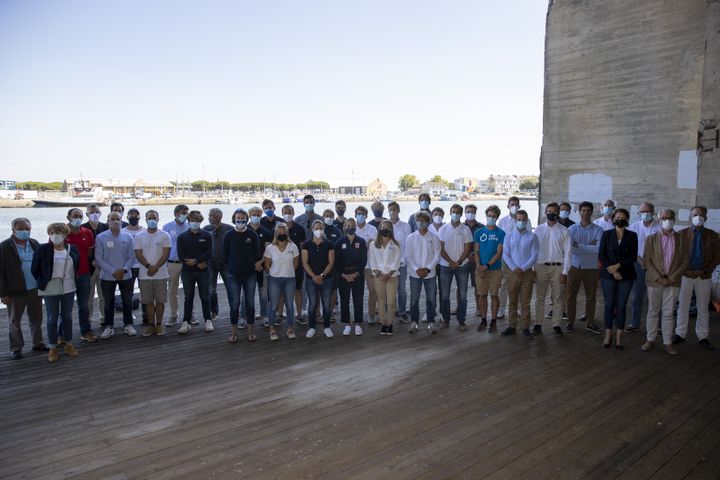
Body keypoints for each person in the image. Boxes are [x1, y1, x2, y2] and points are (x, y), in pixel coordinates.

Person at [641, 209, 688, 355]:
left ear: (674, 219)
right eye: (663, 218)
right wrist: (658, 278)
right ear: (659, 220)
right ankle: (650, 339)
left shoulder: (682, 239)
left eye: (669, 217)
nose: (666, 220)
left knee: (668, 313)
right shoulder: (651, 238)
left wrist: (672, 278)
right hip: (655, 281)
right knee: (652, 311)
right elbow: (647, 260)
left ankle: (667, 342)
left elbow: (685, 261)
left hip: (672, 282)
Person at [31, 223, 80, 362]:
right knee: (52, 318)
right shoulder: (43, 249)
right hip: (50, 289)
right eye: (52, 232)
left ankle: (69, 344)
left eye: (58, 232)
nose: (55, 235)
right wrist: (44, 282)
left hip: (69, 288)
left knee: (67, 317)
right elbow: (35, 269)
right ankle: (53, 347)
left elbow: (76, 267)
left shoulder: (72, 249)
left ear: (65, 235)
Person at [673, 206, 720, 350]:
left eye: (701, 215)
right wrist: (686, 271)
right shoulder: (681, 234)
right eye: (695, 214)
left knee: (703, 308)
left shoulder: (713, 235)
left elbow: (717, 256)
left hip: (704, 276)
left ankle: (703, 336)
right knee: (683, 306)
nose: (698, 217)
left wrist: (704, 270)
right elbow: (676, 256)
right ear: (690, 217)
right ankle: (680, 333)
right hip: (686, 275)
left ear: (705, 218)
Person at [0, 218, 46, 359]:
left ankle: (37, 343)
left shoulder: (34, 243)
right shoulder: (4, 247)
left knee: (36, 318)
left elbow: (42, 265)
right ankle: (16, 348)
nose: (24, 232)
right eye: (21, 229)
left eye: (27, 229)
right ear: (13, 230)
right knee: (15, 321)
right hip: (15, 291)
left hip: (35, 288)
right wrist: (3, 293)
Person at [598, 208, 638, 350]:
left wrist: (618, 266)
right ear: (613, 219)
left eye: (622, 217)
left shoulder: (632, 235)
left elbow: (632, 256)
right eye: (617, 217)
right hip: (608, 274)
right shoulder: (607, 235)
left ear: (627, 219)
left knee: (621, 305)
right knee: (609, 304)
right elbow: (602, 255)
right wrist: (613, 271)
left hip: (626, 274)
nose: (619, 219)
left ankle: (619, 335)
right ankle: (608, 333)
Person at [95, 211, 137, 339]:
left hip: (126, 275)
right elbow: (99, 258)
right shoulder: (101, 237)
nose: (115, 221)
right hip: (107, 276)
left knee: (127, 301)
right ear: (107, 221)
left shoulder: (128, 237)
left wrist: (123, 270)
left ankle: (128, 324)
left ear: (121, 220)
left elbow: (132, 256)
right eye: (112, 219)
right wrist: (113, 271)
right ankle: (108, 327)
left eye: (117, 219)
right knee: (108, 302)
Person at [533, 202, 572, 336]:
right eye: (549, 211)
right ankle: (538, 323)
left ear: (558, 213)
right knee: (540, 297)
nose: (551, 214)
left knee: (558, 298)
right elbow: (534, 250)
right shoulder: (538, 229)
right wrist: (533, 268)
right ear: (545, 213)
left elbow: (568, 253)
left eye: (554, 211)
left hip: (558, 268)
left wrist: (565, 272)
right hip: (540, 267)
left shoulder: (564, 230)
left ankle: (556, 324)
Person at [224, 208, 262, 342]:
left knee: (250, 303)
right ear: (234, 219)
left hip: (249, 274)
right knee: (234, 304)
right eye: (238, 218)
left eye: (243, 218)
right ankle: (233, 332)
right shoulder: (229, 235)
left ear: (247, 219)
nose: (240, 220)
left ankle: (251, 331)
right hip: (233, 274)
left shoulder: (252, 235)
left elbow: (257, 255)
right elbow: (225, 255)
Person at [566, 201, 604, 333]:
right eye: (583, 210)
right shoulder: (571, 229)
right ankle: (570, 321)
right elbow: (570, 249)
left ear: (592, 212)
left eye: (588, 211)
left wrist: (579, 245)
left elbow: (599, 250)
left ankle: (590, 321)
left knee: (591, 296)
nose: (586, 213)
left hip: (591, 268)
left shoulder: (598, 230)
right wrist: (589, 246)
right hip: (574, 266)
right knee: (571, 296)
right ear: (579, 212)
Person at [501, 210, 538, 339]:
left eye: (523, 219)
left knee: (525, 301)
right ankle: (512, 325)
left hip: (527, 273)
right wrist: (514, 268)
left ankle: (525, 326)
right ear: (515, 220)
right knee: (512, 301)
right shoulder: (509, 236)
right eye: (519, 219)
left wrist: (522, 268)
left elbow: (534, 255)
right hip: (512, 273)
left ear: (527, 221)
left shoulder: (532, 237)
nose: (521, 222)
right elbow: (505, 254)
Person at [134, 210, 171, 336]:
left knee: (160, 301)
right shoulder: (139, 236)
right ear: (145, 219)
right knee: (148, 301)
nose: (152, 220)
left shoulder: (165, 235)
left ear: (158, 219)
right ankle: (151, 325)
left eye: (154, 218)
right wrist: (149, 266)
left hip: (161, 273)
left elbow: (166, 253)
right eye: (149, 218)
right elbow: (138, 254)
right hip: (145, 274)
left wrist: (156, 267)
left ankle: (159, 324)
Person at [626, 201, 661, 332]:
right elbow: (629, 248)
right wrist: (640, 261)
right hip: (638, 264)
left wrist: (651, 263)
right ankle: (635, 322)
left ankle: (656, 326)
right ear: (638, 213)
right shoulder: (633, 228)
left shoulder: (660, 228)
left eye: (648, 211)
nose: (645, 214)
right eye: (642, 212)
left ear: (653, 212)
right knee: (637, 295)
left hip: (656, 267)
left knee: (655, 297)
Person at [176, 210, 213, 334]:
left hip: (203, 270)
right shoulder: (182, 237)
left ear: (200, 222)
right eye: (192, 221)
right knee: (188, 297)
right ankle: (186, 322)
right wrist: (193, 262)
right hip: (187, 271)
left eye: (197, 221)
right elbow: (181, 255)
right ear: (188, 221)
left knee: (205, 296)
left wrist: (196, 261)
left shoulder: (207, 235)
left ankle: (208, 320)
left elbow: (209, 252)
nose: (194, 223)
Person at [63, 207, 97, 342]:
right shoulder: (61, 232)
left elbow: (89, 253)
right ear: (68, 217)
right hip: (66, 276)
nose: (78, 218)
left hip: (83, 274)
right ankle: (62, 335)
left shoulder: (87, 232)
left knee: (84, 305)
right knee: (65, 307)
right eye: (75, 216)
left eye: (80, 216)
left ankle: (86, 331)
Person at [438, 204, 473, 330]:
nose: (455, 214)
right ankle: (445, 319)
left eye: (458, 212)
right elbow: (440, 249)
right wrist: (451, 262)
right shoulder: (443, 229)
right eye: (453, 212)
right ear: (450, 212)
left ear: (461, 214)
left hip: (462, 266)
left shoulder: (466, 229)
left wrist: (458, 262)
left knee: (463, 295)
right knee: (445, 295)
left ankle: (461, 320)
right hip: (445, 266)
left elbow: (467, 249)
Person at [405, 211, 441, 333]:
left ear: (428, 222)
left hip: (430, 274)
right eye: (418, 220)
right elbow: (408, 256)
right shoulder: (410, 237)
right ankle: (414, 322)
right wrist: (417, 269)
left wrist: (427, 269)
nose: (420, 222)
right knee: (414, 299)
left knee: (431, 299)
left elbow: (437, 256)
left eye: (423, 220)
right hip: (415, 274)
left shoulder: (434, 237)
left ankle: (431, 322)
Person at [497, 196, 533, 320]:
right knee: (504, 284)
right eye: (512, 204)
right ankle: (501, 309)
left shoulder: (526, 221)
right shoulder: (502, 221)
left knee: (519, 284)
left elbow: (530, 238)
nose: (515, 207)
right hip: (506, 259)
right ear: (508, 206)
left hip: (522, 260)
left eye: (517, 205)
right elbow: (500, 239)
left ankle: (518, 308)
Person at [264, 223, 300, 340]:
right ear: (275, 234)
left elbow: (296, 264)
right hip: (274, 279)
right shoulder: (270, 248)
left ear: (287, 233)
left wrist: (287, 272)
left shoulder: (293, 247)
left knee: (290, 305)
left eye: (284, 232)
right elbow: (267, 265)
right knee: (273, 305)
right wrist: (276, 272)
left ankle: (290, 328)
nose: (282, 234)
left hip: (290, 279)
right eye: (279, 233)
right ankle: (272, 328)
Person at [302, 220, 335, 338]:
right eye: (316, 228)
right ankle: (311, 327)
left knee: (326, 304)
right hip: (311, 280)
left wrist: (321, 276)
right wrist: (314, 277)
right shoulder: (306, 244)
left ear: (324, 229)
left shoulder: (329, 244)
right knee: (312, 304)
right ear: (312, 229)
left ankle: (327, 327)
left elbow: (331, 263)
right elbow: (305, 263)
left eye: (321, 228)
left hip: (327, 279)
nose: (318, 230)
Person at [474, 205, 505, 333]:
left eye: (493, 216)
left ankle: (493, 321)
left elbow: (499, 253)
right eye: (489, 216)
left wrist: (486, 266)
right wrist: (478, 267)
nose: (491, 218)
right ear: (486, 216)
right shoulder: (478, 232)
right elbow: (476, 251)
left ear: (497, 218)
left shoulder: (501, 233)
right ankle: (483, 320)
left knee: (494, 295)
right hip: (480, 270)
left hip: (495, 270)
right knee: (482, 295)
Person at [368, 220, 402, 335]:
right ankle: (383, 323)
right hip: (378, 277)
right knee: (381, 301)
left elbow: (397, 262)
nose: (385, 229)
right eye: (383, 227)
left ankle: (390, 322)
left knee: (391, 301)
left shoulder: (395, 244)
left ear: (391, 230)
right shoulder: (373, 244)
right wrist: (380, 274)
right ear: (379, 229)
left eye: (387, 227)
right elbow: (372, 262)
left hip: (392, 276)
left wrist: (389, 274)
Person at [334, 218, 367, 336]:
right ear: (344, 227)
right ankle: (347, 324)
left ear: (356, 227)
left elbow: (364, 260)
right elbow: (336, 261)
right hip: (343, 276)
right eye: (347, 225)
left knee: (358, 300)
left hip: (357, 275)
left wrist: (356, 273)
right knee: (344, 300)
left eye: (352, 225)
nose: (350, 227)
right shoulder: (339, 242)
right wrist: (343, 274)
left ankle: (358, 323)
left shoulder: (361, 241)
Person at [278, 204, 306, 325]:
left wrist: (301, 264)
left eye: (290, 211)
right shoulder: (278, 229)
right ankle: (279, 315)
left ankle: (299, 315)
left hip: (297, 266)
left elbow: (302, 248)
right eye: (285, 212)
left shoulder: (300, 229)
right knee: (282, 292)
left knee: (298, 291)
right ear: (282, 213)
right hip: (281, 266)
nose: (288, 214)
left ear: (293, 213)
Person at [203, 208, 233, 321]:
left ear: (218, 217)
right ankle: (214, 312)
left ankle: (234, 310)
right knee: (211, 290)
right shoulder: (206, 229)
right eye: (209, 215)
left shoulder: (229, 229)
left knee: (231, 289)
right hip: (210, 264)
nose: (209, 217)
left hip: (226, 264)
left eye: (211, 215)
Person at [162, 204, 189, 325]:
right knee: (172, 290)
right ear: (176, 213)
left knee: (189, 290)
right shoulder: (167, 227)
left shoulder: (190, 226)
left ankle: (190, 314)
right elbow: (163, 246)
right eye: (183, 212)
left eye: (186, 212)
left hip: (188, 263)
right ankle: (174, 315)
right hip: (173, 263)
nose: (185, 215)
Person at [82, 203, 108, 326]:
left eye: (96, 212)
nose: (94, 214)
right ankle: (88, 320)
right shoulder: (82, 228)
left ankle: (104, 318)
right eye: (91, 212)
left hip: (104, 268)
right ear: (87, 214)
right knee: (89, 297)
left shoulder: (106, 227)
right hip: (89, 268)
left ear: (100, 213)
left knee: (104, 296)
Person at [246, 206, 271, 324]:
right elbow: (242, 251)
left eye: (258, 214)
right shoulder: (244, 230)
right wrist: (252, 264)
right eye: (253, 214)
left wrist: (260, 263)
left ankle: (264, 315)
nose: (256, 216)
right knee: (246, 293)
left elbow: (267, 250)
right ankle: (244, 316)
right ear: (249, 215)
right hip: (248, 267)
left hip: (262, 266)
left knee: (263, 292)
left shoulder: (265, 231)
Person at [122, 208, 147, 323]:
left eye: (136, 215)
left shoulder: (144, 231)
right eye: (131, 215)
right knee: (128, 293)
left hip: (142, 266)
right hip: (129, 267)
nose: (133, 217)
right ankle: (129, 315)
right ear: (127, 217)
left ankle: (146, 315)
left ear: (139, 217)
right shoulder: (123, 231)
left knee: (145, 292)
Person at [388, 201, 411, 322]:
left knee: (401, 289)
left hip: (401, 263)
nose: (392, 212)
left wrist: (403, 260)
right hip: (387, 264)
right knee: (389, 289)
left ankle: (402, 311)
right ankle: (391, 311)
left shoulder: (406, 226)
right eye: (390, 210)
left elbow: (408, 245)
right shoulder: (385, 225)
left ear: (398, 211)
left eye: (394, 209)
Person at [355, 205, 378, 323]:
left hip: (369, 265)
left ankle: (372, 314)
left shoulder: (372, 229)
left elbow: (373, 245)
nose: (361, 216)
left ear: (366, 216)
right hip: (356, 266)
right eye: (359, 214)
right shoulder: (352, 228)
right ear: (355, 215)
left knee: (372, 290)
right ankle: (357, 315)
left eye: (363, 214)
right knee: (357, 292)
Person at [464, 204, 484, 317]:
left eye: (472, 211)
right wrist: (466, 255)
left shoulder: (481, 227)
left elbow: (483, 245)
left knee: (478, 286)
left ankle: (479, 308)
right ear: (465, 213)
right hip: (463, 260)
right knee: (461, 286)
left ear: (475, 213)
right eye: (468, 211)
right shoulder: (461, 227)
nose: (470, 213)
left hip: (476, 261)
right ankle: (459, 306)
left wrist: (474, 254)